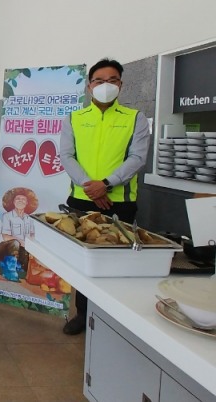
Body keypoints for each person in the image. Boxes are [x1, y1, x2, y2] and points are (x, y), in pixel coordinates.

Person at [59, 58, 149, 335]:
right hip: (81, 200)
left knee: (116, 261)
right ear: (89, 86)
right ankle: (83, 314)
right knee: (84, 262)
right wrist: (90, 185)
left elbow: (138, 157)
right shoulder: (74, 118)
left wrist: (106, 184)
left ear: (121, 85)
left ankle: (112, 320)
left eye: (112, 80)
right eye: (99, 80)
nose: (105, 85)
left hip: (119, 202)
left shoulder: (135, 118)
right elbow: (67, 155)